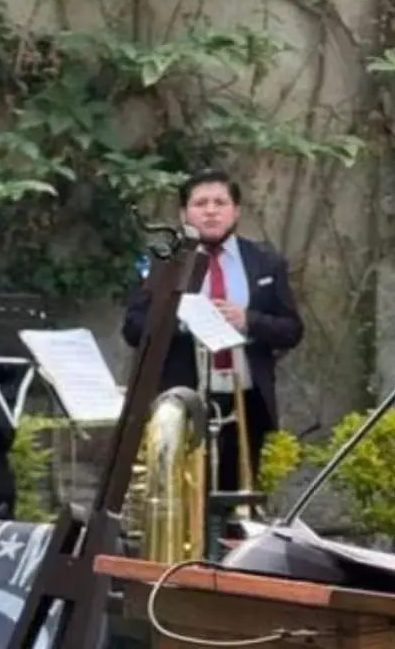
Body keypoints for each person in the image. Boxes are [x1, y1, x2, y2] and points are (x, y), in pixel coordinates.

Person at [122, 168, 304, 494]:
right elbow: (133, 329)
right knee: (179, 498)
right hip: (180, 401)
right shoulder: (163, 262)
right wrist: (182, 320)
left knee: (234, 500)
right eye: (200, 203)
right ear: (183, 213)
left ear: (236, 211)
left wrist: (248, 320)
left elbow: (291, 329)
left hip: (244, 402)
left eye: (220, 202)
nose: (210, 211)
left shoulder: (264, 261)